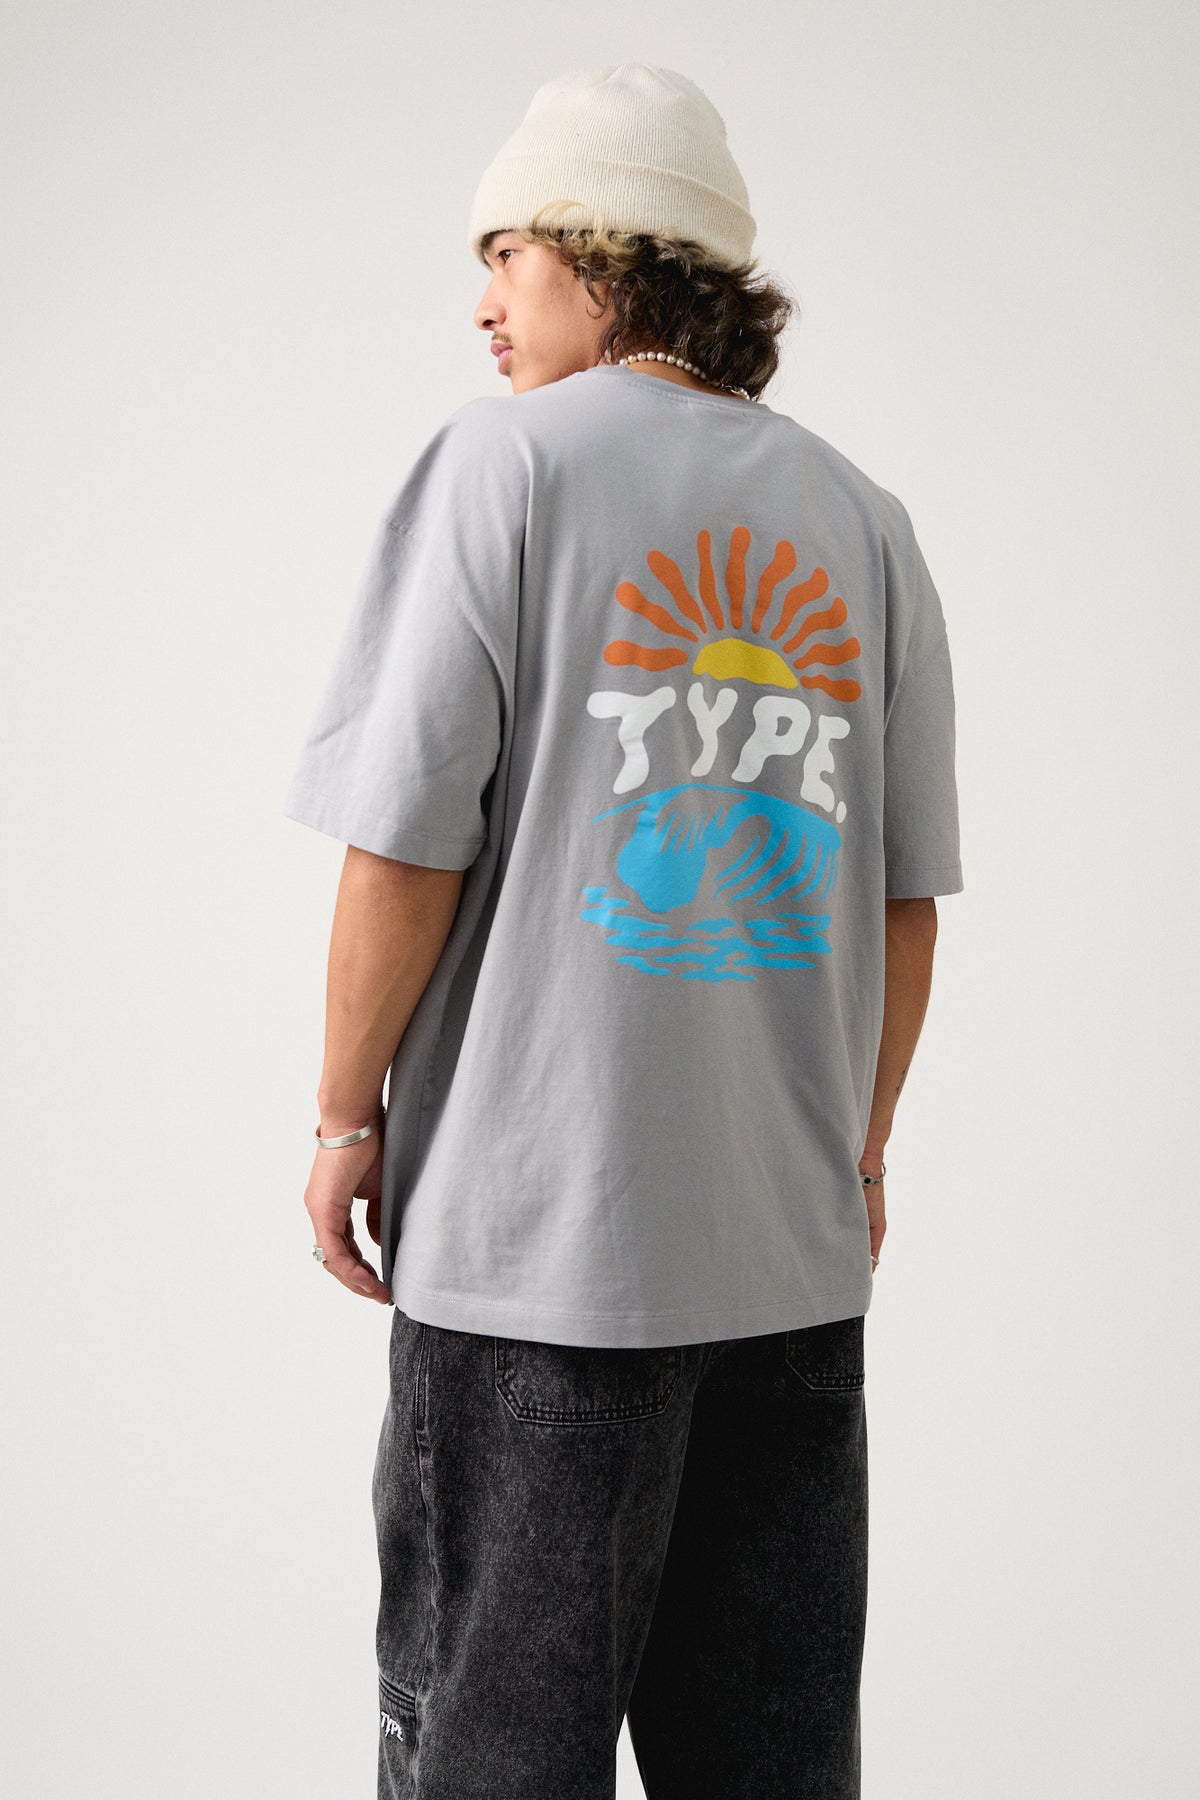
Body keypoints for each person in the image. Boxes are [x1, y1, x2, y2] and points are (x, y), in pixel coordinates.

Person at [283, 63, 963, 1800]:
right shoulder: (864, 520)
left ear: (604, 258)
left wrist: (346, 1114)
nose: (484, 302)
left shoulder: (503, 467)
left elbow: (401, 851)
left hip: (542, 1258)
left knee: (492, 1760)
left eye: (506, 254)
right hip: (790, 1268)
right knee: (769, 1762)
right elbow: (902, 899)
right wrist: (861, 1152)